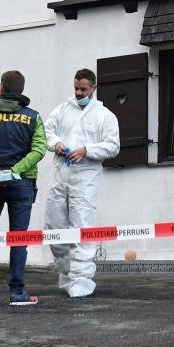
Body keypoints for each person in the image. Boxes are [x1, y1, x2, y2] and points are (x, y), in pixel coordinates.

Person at [0, 69, 47, 308]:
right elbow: (40, 149)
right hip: (21, 184)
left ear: (1, 88)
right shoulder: (33, 117)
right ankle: (17, 293)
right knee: (18, 238)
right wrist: (17, 170)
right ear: (21, 90)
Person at [43, 68, 120, 299]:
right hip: (60, 175)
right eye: (76, 88)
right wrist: (56, 143)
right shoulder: (62, 110)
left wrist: (87, 150)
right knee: (54, 227)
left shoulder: (105, 115)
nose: (78, 92)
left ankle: (82, 281)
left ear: (93, 88)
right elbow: (46, 131)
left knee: (82, 230)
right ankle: (67, 275)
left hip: (86, 178)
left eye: (83, 89)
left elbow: (113, 146)